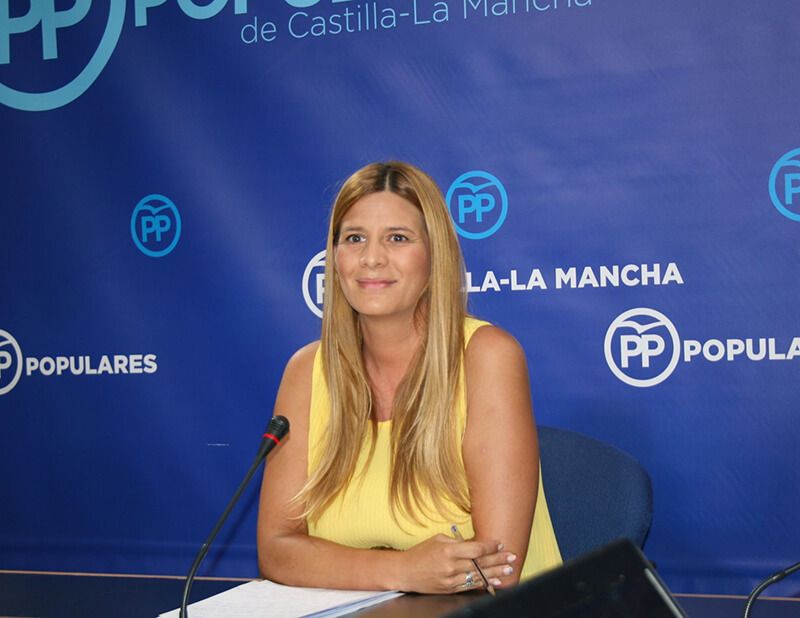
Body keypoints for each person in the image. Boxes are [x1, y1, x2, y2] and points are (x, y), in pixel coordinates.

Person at [257, 161, 562, 594]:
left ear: (435, 256)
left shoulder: (487, 357)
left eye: (397, 238)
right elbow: (276, 550)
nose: (371, 258)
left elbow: (495, 569)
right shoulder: (307, 371)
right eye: (354, 238)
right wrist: (403, 569)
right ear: (335, 257)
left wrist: (349, 566)